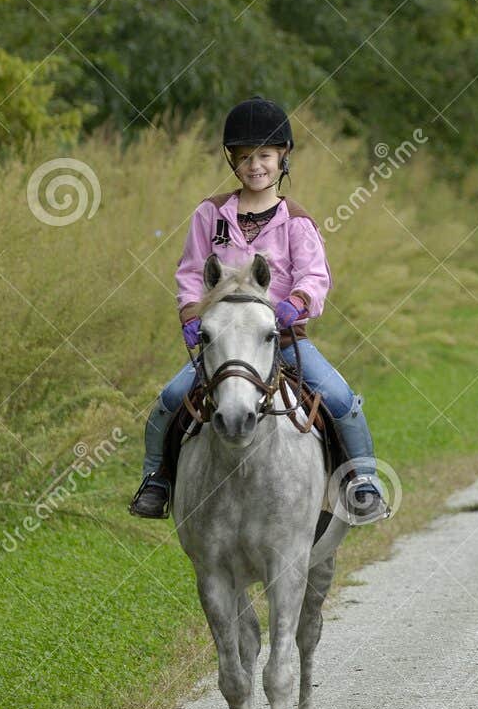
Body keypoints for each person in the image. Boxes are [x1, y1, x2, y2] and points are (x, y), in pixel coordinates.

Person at [129, 95, 387, 522]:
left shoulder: (296, 220)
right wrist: (191, 315)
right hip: (224, 344)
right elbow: (191, 271)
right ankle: (155, 481)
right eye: (245, 157)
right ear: (233, 160)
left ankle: (362, 481)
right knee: (170, 400)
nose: (255, 166)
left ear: (282, 157)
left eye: (265, 155)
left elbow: (315, 276)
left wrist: (296, 304)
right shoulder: (209, 215)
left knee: (340, 399)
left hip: (281, 340)